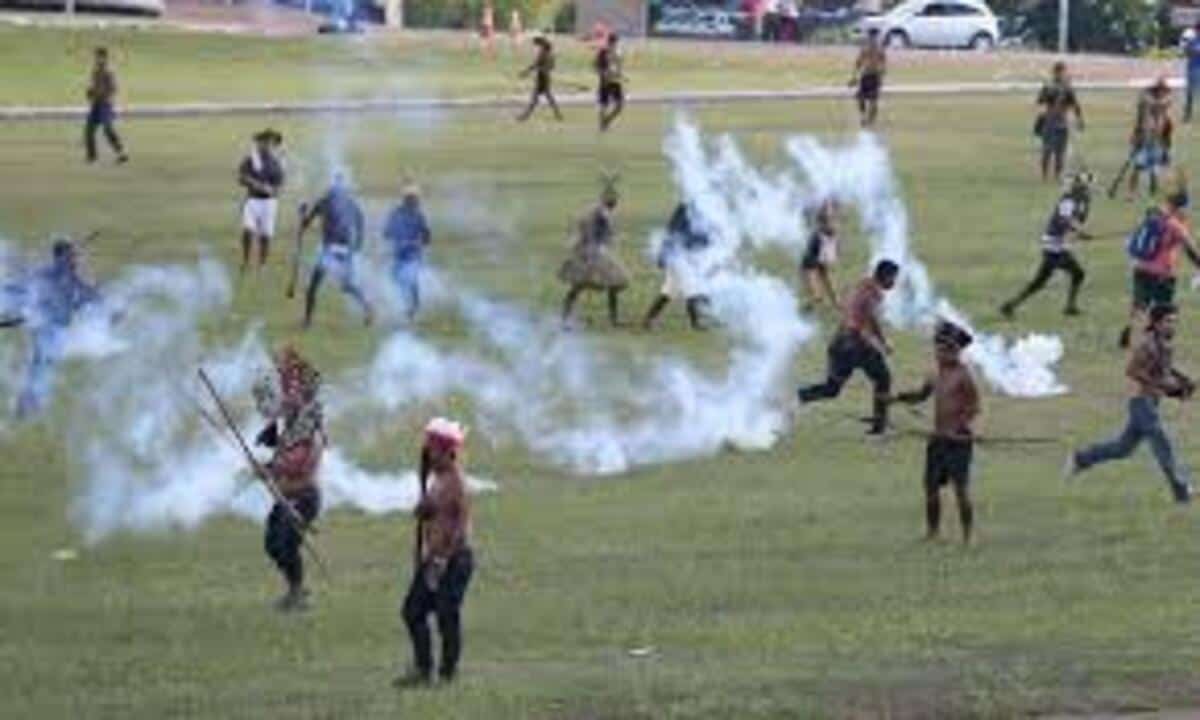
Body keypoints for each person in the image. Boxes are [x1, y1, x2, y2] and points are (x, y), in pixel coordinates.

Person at [1065, 303, 1194, 504]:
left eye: (1174, 321)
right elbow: (1133, 371)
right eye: (1168, 321)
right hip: (1140, 402)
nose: (1172, 325)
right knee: (1162, 442)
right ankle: (1181, 489)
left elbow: (1164, 369)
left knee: (1123, 448)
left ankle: (1081, 458)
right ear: (1156, 323)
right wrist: (1163, 386)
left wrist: (1183, 381)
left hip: (1151, 401)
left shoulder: (1165, 345)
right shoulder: (1148, 345)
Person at [397, 418, 475, 688]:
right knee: (412, 611)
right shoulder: (437, 479)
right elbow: (434, 512)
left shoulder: (457, 483)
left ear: (446, 451)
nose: (428, 454)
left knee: (446, 615)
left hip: (453, 560)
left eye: (433, 449)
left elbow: (461, 526)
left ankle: (447, 673)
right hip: (434, 558)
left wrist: (443, 558)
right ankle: (423, 669)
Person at [893, 322, 980, 544]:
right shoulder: (935, 374)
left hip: (958, 440)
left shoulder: (964, 376)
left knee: (960, 489)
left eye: (945, 350)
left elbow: (973, 408)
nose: (939, 354)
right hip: (938, 439)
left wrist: (958, 428)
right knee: (930, 487)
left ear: (955, 351)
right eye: (938, 349)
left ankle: (968, 536)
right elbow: (921, 395)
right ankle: (933, 532)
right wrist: (898, 398)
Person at [253, 346, 326, 611]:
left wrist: (271, 470)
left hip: (303, 499)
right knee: (273, 545)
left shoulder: (310, 434)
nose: (289, 400)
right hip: (285, 498)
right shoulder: (291, 427)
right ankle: (295, 589)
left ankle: (297, 594)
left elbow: (298, 466)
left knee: (286, 544)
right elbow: (281, 453)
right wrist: (268, 467)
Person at [797, 259, 900, 435]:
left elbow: (855, 314)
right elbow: (871, 320)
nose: (894, 282)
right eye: (893, 278)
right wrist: (883, 343)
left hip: (840, 344)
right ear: (885, 276)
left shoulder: (862, 286)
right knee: (883, 378)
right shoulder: (873, 293)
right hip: (855, 345)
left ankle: (797, 397)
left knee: (831, 389)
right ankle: (880, 425)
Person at [14, 240, 100, 419]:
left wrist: (94, 295)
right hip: (49, 326)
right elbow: (32, 287)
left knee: (44, 362)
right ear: (61, 257)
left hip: (57, 328)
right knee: (44, 361)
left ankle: (30, 400)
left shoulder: (71, 276)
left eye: (75, 255)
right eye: (72, 255)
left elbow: (85, 297)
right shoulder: (52, 273)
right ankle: (29, 400)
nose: (76, 259)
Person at [1000, 171, 1094, 319]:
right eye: (1085, 186)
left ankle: (1010, 306)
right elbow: (1064, 221)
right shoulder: (1068, 200)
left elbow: (1071, 222)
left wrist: (1078, 233)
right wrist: (1080, 232)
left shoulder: (1078, 200)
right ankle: (1069, 307)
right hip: (1053, 246)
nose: (1087, 189)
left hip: (1058, 245)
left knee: (1044, 281)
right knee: (1075, 274)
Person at [1118, 190, 1200, 349]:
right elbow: (1190, 249)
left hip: (1141, 269)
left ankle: (1131, 334)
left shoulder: (1152, 217)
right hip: (1163, 273)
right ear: (1179, 207)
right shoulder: (1175, 225)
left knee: (1140, 305)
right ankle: (1156, 339)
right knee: (1163, 309)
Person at [299, 175, 374, 329]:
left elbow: (306, 223)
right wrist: (358, 242)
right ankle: (367, 305)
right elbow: (360, 220)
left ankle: (307, 321)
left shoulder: (324, 201)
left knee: (313, 286)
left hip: (330, 248)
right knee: (347, 285)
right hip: (347, 248)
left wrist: (302, 213)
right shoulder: (351, 202)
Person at [558, 177, 629, 329]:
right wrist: (594, 250)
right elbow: (592, 232)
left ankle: (567, 318)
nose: (615, 204)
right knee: (582, 285)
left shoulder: (595, 210)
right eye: (614, 201)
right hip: (590, 253)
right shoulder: (600, 213)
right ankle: (567, 319)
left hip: (590, 251)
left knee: (605, 284)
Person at [641, 202, 713, 331]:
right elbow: (678, 237)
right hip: (677, 257)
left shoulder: (692, 215)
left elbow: (699, 235)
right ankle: (696, 323)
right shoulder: (685, 216)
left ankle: (648, 319)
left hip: (677, 257)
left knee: (669, 290)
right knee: (691, 287)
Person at [237, 129, 286, 277]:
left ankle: (262, 264)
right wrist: (255, 184)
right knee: (248, 229)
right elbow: (241, 178)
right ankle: (246, 261)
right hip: (252, 200)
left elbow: (279, 185)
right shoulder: (251, 160)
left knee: (266, 235)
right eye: (264, 142)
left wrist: (272, 190)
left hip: (269, 203)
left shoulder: (276, 163)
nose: (267, 145)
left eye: (271, 143)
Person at [382, 182, 432, 321]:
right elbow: (386, 232)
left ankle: (412, 309)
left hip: (413, 255)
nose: (414, 201)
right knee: (396, 280)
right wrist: (395, 237)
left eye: (415, 198)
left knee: (409, 279)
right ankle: (409, 306)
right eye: (411, 198)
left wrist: (418, 243)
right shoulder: (396, 214)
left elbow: (427, 236)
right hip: (398, 255)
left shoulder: (419, 215)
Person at [1035, 62, 1085, 182]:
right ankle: (1044, 175)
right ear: (1056, 73)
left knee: (1060, 151)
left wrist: (1079, 119)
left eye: (1064, 72)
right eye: (1062, 72)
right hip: (1050, 120)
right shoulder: (1048, 86)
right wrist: (1049, 92)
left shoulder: (1068, 88)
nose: (1064, 74)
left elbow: (1075, 104)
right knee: (1047, 149)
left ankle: (1057, 175)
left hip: (1062, 121)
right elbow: (1040, 101)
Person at [1127, 78, 1173, 198]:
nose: (1162, 93)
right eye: (1160, 91)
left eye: (1164, 91)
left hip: (1158, 140)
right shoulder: (1146, 105)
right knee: (1138, 165)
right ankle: (1131, 191)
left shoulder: (1164, 107)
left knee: (1155, 166)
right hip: (1144, 138)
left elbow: (1166, 108)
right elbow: (1145, 104)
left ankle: (1153, 190)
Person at [84, 47, 128, 165]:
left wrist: (104, 95)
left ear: (104, 58)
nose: (96, 59)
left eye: (99, 57)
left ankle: (121, 153)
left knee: (108, 129)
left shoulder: (109, 72)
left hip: (105, 104)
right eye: (96, 57)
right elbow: (92, 86)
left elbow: (113, 88)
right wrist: (90, 92)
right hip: (96, 104)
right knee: (89, 131)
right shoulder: (95, 71)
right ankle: (92, 157)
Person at [799, 200, 841, 312]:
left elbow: (830, 258)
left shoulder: (831, 235)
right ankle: (816, 299)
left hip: (820, 259)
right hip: (812, 261)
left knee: (829, 280)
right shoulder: (819, 235)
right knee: (818, 292)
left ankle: (833, 300)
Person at [516, 36, 563, 122]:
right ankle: (558, 114)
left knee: (538, 98)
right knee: (544, 98)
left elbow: (540, 65)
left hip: (543, 79)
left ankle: (524, 116)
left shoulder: (545, 54)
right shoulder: (546, 53)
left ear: (541, 45)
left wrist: (526, 72)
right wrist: (527, 72)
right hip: (543, 78)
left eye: (536, 45)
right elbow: (540, 65)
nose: (535, 47)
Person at [849, 29, 886, 128]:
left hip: (875, 76)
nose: (873, 39)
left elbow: (883, 64)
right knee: (860, 97)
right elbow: (858, 63)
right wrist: (854, 77)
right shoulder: (865, 49)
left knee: (873, 100)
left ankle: (870, 121)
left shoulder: (880, 50)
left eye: (874, 37)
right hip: (865, 76)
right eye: (871, 37)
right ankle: (863, 117)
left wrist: (881, 77)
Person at [594, 34, 625, 132]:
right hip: (605, 82)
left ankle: (606, 121)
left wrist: (620, 75)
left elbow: (618, 66)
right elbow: (597, 66)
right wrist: (603, 74)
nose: (615, 44)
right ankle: (602, 125)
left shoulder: (618, 52)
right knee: (604, 104)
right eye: (614, 42)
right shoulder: (603, 52)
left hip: (615, 81)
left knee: (619, 105)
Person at [1183, 22, 1200, 122]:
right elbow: (1187, 51)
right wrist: (1193, 50)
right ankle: (1187, 115)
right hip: (1192, 68)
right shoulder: (1192, 40)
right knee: (1190, 93)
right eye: (1197, 30)